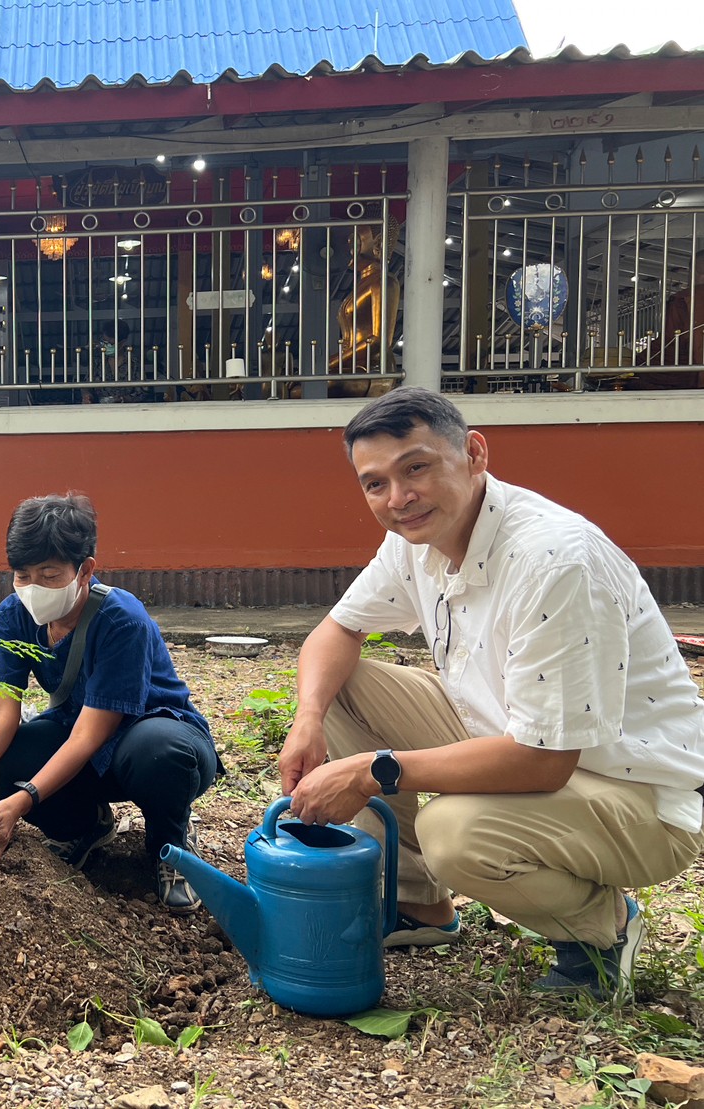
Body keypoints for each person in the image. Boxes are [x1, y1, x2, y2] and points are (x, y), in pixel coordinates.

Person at [280, 387, 704, 998]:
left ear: (474, 453)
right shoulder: (413, 540)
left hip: (635, 794)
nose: (399, 498)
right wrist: (308, 718)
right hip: (512, 736)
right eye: (375, 484)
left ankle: (601, 933)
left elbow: (543, 761)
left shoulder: (553, 561)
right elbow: (339, 629)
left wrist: (370, 773)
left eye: (416, 468)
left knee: (455, 830)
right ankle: (418, 906)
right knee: (342, 685)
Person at [0, 494, 220, 913]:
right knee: (3, 759)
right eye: (22, 575)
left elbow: (94, 732)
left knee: (159, 753)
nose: (33, 588)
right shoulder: (13, 616)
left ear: (85, 569)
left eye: (49, 575)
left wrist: (20, 802)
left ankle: (172, 845)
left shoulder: (121, 618)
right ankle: (86, 824)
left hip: (152, 735)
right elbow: (1, 708)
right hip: (80, 737)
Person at [639, 249, 704, 390]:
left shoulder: (684, 299)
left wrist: (636, 361)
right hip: (691, 365)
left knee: (638, 369)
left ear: (694, 273)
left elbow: (671, 341)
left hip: (692, 372)